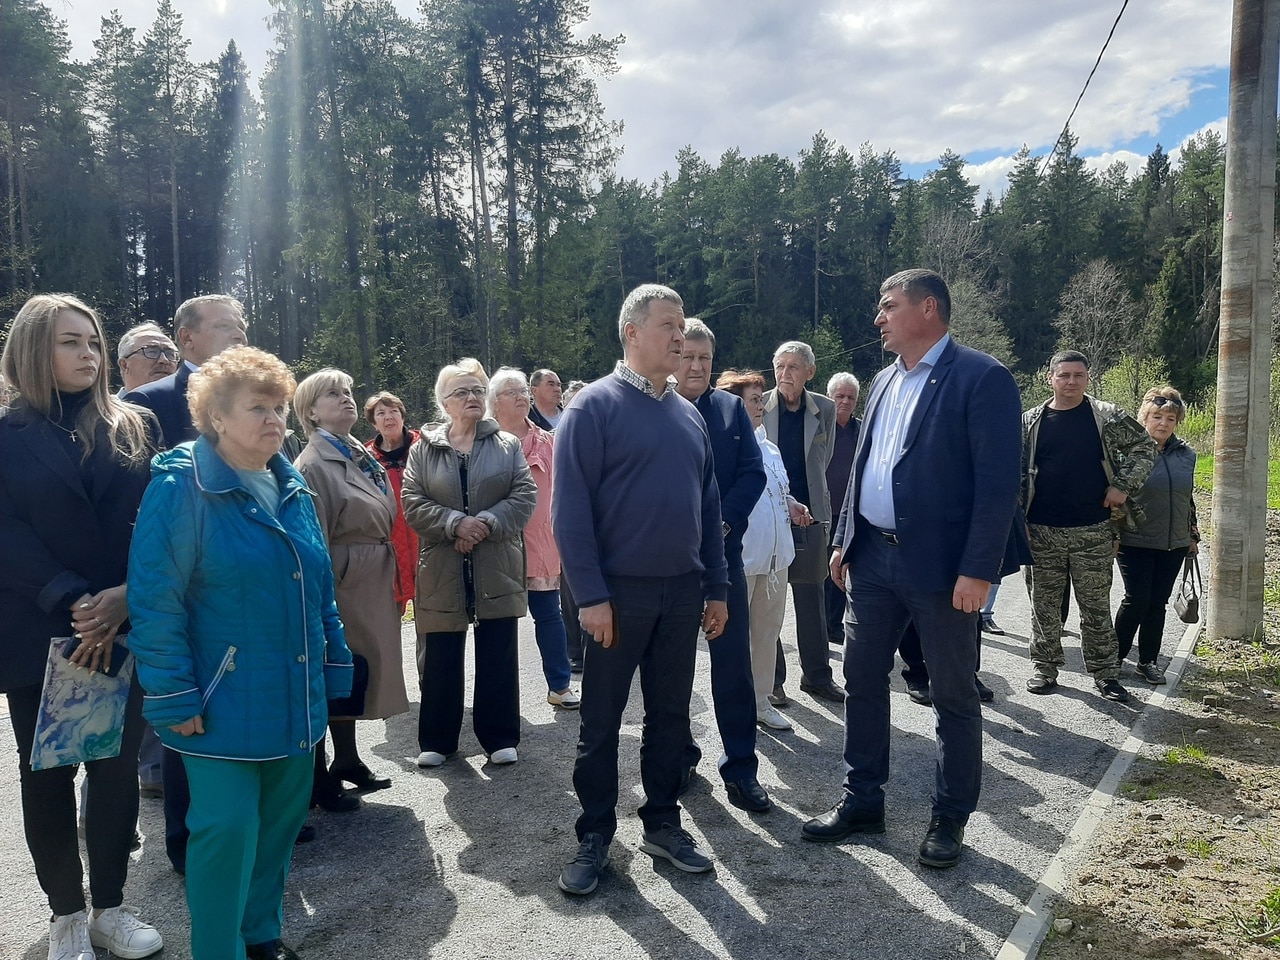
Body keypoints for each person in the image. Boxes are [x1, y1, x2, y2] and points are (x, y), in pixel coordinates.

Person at [127, 345, 353, 960]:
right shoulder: (181, 488)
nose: (275, 418)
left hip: (293, 693)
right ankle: (218, 949)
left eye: (280, 406)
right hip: (217, 700)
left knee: (279, 827)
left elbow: (318, 590)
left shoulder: (292, 485)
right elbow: (155, 602)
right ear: (216, 418)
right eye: (258, 407)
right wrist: (172, 694)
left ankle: (261, 935)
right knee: (226, 830)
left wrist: (335, 663)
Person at [801, 269, 1026, 870]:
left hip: (944, 569)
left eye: (888, 305)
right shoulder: (881, 382)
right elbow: (866, 466)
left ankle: (949, 818)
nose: (878, 317)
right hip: (873, 558)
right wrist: (846, 538)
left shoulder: (983, 378)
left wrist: (979, 570)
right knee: (862, 679)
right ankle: (863, 801)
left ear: (928, 309)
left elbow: (998, 487)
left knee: (952, 694)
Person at [0, 294, 164, 960]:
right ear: (35, 348)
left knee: (115, 769)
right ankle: (67, 914)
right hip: (38, 626)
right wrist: (71, 597)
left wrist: (127, 595)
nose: (88, 355)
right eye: (71, 342)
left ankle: (113, 909)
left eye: (94, 342)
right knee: (47, 774)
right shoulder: (5, 433)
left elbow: (156, 523)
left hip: (119, 626)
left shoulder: (135, 423)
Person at [552, 283, 729, 896]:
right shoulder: (592, 408)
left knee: (671, 716)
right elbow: (568, 512)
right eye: (668, 325)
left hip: (682, 593)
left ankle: (661, 821)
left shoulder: (689, 416)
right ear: (631, 331)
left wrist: (717, 586)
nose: (680, 336)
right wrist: (592, 598)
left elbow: (706, 509)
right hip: (617, 597)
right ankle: (595, 833)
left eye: (682, 326)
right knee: (601, 723)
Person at [123, 294, 250, 872]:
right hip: (181, 594)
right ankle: (187, 842)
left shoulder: (262, 400)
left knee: (245, 705)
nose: (240, 336)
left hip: (248, 590)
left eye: (244, 327)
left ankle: (252, 827)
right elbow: (131, 503)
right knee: (187, 713)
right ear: (189, 340)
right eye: (227, 327)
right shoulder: (145, 406)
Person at [402, 359, 536, 768]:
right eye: (461, 392)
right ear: (444, 402)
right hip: (443, 564)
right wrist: (455, 523)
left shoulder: (507, 445)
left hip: (496, 561)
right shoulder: (423, 448)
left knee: (498, 650)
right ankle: (439, 740)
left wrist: (487, 523)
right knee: (441, 653)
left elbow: (524, 496)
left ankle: (498, 737)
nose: (472, 397)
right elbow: (411, 501)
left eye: (477, 390)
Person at [294, 370, 409, 807]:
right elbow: (314, 537)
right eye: (332, 394)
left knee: (357, 672)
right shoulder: (313, 464)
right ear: (309, 411)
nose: (345, 400)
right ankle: (319, 779)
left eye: (347, 392)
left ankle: (347, 759)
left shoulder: (357, 453)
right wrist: (328, 590)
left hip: (370, 576)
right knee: (337, 670)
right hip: (345, 581)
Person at [672, 320, 769, 812]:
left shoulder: (731, 410)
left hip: (723, 559)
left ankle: (741, 769)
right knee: (672, 670)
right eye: (687, 355)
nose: (696, 366)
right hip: (669, 565)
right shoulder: (654, 409)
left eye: (705, 358)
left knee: (732, 668)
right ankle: (680, 758)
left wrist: (723, 525)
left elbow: (753, 473)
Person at [1022, 350, 1156, 703]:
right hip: (1041, 530)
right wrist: (1015, 522)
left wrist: (1122, 485)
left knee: (1095, 606)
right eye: (1063, 375)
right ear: (1049, 378)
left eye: (1078, 375)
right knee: (1043, 606)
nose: (1071, 382)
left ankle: (1105, 673)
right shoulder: (1031, 422)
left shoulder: (1107, 417)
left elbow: (1145, 446)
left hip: (1093, 530)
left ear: (1088, 377)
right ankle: (1044, 667)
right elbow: (1015, 474)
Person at [716, 369, 805, 733]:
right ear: (734, 403)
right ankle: (736, 710)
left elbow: (776, 493)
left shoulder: (769, 448)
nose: (762, 405)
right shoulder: (724, 445)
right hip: (742, 558)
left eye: (761, 398)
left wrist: (793, 504)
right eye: (754, 399)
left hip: (775, 559)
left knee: (767, 635)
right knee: (736, 642)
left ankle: (761, 702)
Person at [488, 368, 580, 709]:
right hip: (496, 545)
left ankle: (559, 686)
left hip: (541, 543)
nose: (521, 396)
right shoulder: (484, 443)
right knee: (498, 624)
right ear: (495, 403)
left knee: (549, 615)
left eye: (523, 390)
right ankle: (501, 699)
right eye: (512, 391)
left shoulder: (547, 440)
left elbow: (566, 491)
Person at [763, 341, 841, 704]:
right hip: (771, 515)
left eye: (793, 367)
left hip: (811, 518)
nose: (785, 375)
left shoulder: (825, 408)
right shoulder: (759, 404)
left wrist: (809, 502)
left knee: (813, 601)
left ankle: (817, 677)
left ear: (810, 372)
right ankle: (773, 679)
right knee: (769, 601)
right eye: (780, 367)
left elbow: (823, 462)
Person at [1115, 387, 1200, 683]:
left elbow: (1187, 498)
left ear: (1177, 422)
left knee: (1157, 603)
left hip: (1173, 543)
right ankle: (1114, 659)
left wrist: (1192, 535)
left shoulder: (1187, 455)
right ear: (1145, 418)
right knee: (1136, 599)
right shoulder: (1128, 453)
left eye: (1170, 418)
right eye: (1157, 416)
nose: (1163, 423)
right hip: (1134, 540)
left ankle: (1148, 661)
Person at [363, 391, 421, 617]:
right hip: (389, 555)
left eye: (393, 411)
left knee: (431, 632)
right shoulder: (365, 460)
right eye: (381, 413)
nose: (389, 417)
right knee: (386, 630)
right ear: (374, 423)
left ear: (403, 416)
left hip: (425, 548)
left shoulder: (424, 448)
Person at [824, 372, 861, 645]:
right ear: (829, 397)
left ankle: (834, 625)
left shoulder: (862, 431)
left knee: (842, 570)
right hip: (822, 513)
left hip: (850, 515)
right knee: (821, 573)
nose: (845, 401)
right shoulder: (819, 430)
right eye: (840, 396)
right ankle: (823, 625)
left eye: (850, 397)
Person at [116, 323, 179, 395]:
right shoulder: (103, 406)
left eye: (170, 354)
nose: (164, 360)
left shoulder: (188, 405)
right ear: (125, 365)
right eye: (152, 352)